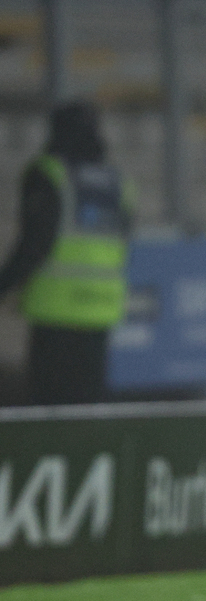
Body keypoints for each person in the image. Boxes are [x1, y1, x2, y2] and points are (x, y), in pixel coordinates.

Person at [0, 100, 133, 405]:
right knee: (85, 411)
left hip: (55, 310)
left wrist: (4, 285)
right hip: (100, 310)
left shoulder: (49, 175)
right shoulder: (118, 184)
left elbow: (34, 244)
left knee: (49, 411)